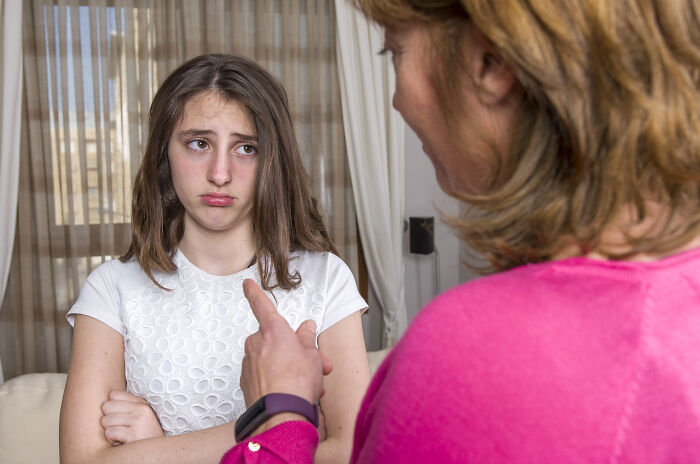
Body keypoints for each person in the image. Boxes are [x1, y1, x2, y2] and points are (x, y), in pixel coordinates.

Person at [220, 0, 700, 462]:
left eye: (396, 53)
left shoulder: (472, 357)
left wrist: (277, 416)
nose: (396, 101)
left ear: (490, 62)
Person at [59, 54, 370, 464]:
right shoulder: (111, 288)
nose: (220, 173)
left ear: (271, 161)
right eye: (199, 143)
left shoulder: (327, 278)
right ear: (163, 154)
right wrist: (291, 421)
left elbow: (353, 451)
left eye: (245, 148)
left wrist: (155, 448)